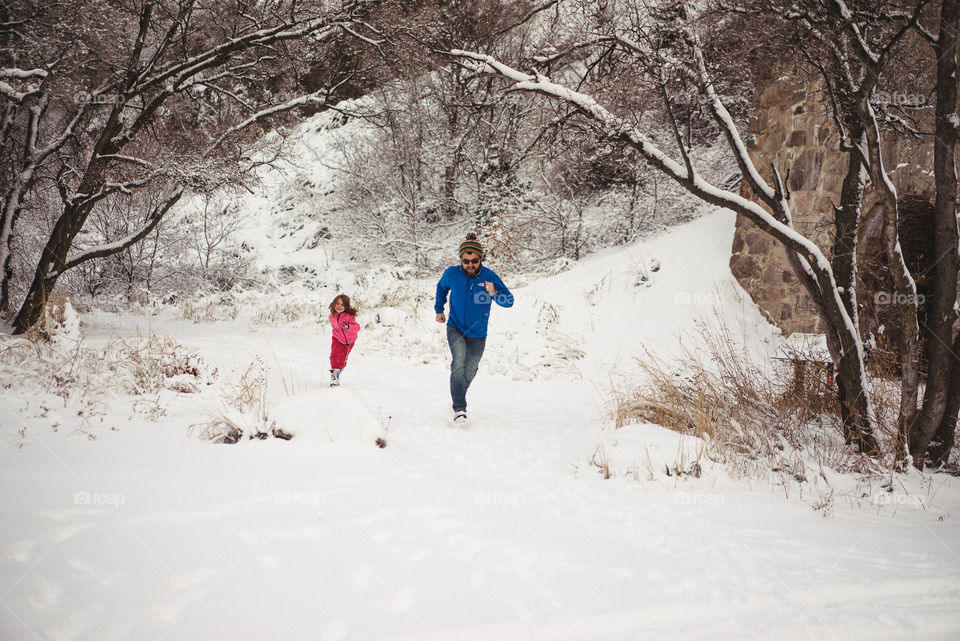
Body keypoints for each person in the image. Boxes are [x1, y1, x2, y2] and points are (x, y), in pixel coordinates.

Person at [434, 233, 514, 425]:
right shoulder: (451, 274)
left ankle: (458, 392)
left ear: (481, 259)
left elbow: (509, 301)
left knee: (470, 369)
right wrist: (439, 309)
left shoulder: (489, 276)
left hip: (478, 333)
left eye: (474, 260)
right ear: (461, 259)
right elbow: (441, 288)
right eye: (466, 260)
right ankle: (459, 408)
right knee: (458, 362)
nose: (470, 264)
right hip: (455, 327)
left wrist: (494, 293)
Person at [328, 294, 360, 387]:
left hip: (349, 341)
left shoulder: (349, 316)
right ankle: (334, 378)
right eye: (337, 303)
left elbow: (357, 327)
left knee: (341, 361)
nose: (339, 306)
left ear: (346, 306)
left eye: (342, 305)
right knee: (334, 357)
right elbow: (334, 327)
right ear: (334, 304)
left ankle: (339, 368)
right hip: (337, 338)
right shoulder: (332, 316)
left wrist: (348, 327)